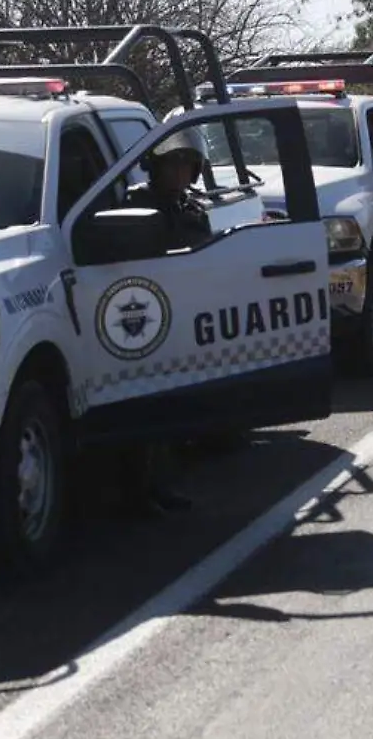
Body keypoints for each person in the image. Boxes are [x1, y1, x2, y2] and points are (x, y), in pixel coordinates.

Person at [117, 130, 212, 518]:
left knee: (171, 410)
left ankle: (163, 484)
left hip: (182, 318)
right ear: (155, 166)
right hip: (143, 319)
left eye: (186, 164)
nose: (180, 172)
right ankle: (140, 491)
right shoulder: (137, 206)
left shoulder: (190, 208)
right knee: (148, 409)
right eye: (173, 163)